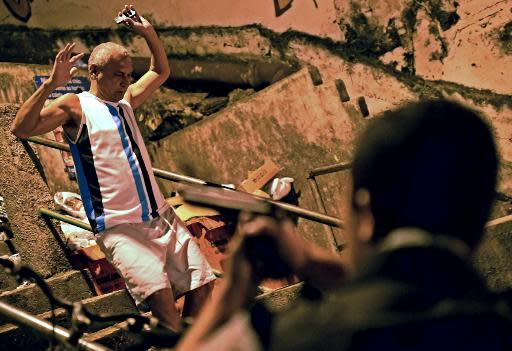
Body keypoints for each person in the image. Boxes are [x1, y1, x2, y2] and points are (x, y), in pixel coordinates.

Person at [176, 100, 512, 350]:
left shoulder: (291, 336)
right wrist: (326, 268)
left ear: (364, 213)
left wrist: (233, 290)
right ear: (480, 214)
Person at [10, 4, 215, 332]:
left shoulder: (126, 101)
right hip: (120, 227)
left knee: (203, 284)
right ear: (94, 73)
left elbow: (160, 71)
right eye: (118, 74)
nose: (125, 81)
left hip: (160, 216)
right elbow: (21, 128)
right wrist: (50, 84)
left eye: (128, 74)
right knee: (162, 301)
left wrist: (148, 33)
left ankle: (188, 341)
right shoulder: (75, 105)